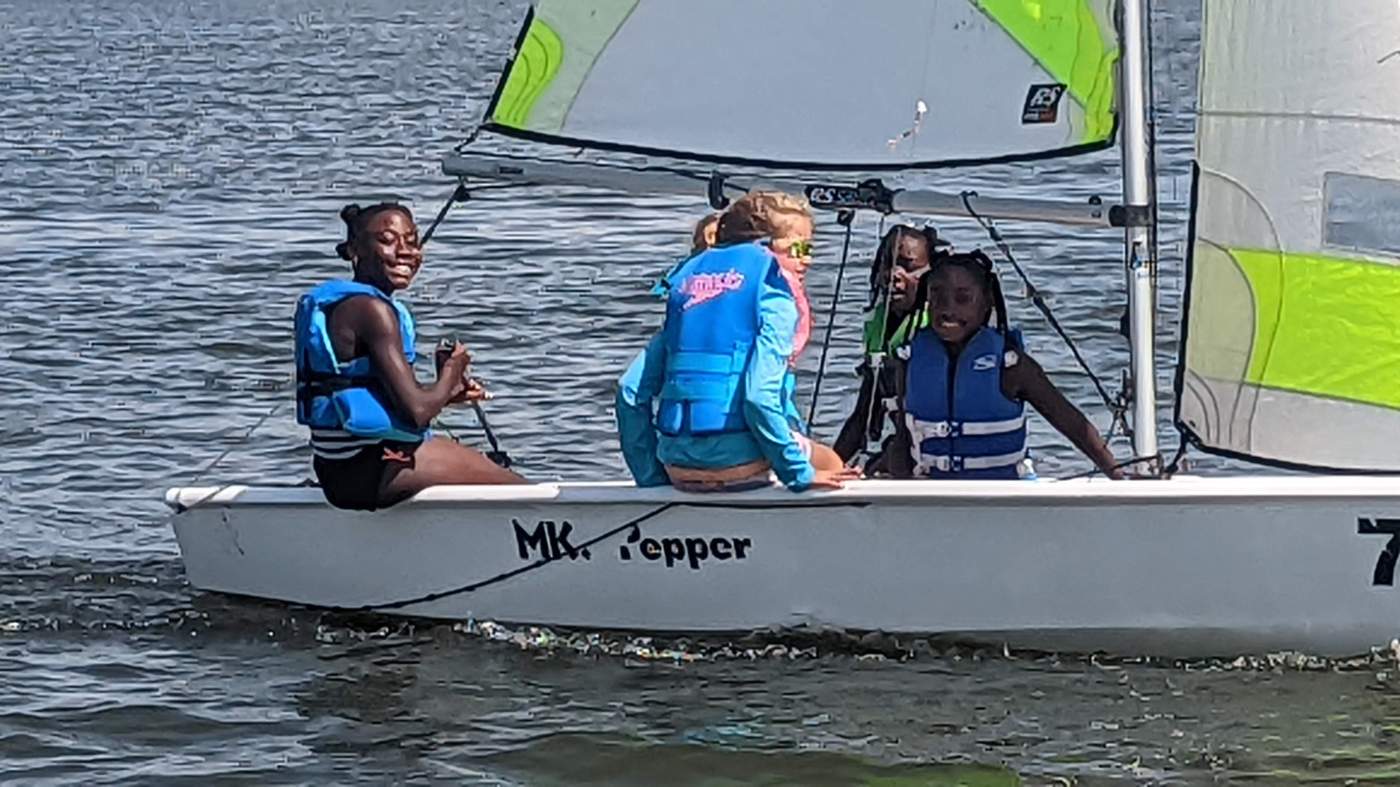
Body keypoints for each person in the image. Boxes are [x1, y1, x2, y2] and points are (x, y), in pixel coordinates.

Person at [616, 191, 858, 492]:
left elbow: (629, 392)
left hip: (677, 469)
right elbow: (759, 397)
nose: (806, 259)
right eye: (797, 248)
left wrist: (651, 480)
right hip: (740, 467)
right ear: (765, 248)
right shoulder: (774, 294)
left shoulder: (687, 288)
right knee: (832, 463)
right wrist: (799, 475)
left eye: (809, 249)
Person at [294, 202, 526, 511]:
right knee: (518, 488)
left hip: (339, 468)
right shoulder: (372, 311)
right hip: (371, 470)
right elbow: (417, 412)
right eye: (387, 240)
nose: (405, 251)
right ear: (353, 250)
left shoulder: (352, 306)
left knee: (483, 466)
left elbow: (397, 402)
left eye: (412, 240)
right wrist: (452, 371)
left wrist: (448, 393)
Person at [885, 250, 1123, 480]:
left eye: (963, 298)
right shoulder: (910, 360)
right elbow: (902, 443)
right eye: (937, 296)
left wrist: (1118, 477)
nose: (948, 309)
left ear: (987, 302)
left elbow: (1073, 425)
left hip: (1001, 492)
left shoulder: (1012, 366)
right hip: (933, 494)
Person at [833, 224, 946, 466]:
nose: (894, 273)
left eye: (908, 266)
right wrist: (831, 466)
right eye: (888, 263)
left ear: (931, 272)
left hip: (938, 450)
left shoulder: (939, 329)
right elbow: (863, 415)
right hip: (901, 445)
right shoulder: (879, 325)